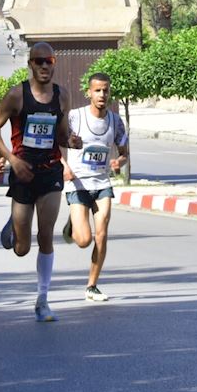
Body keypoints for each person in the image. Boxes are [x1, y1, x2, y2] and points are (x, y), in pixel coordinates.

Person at [0, 41, 71, 322]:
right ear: (30, 65)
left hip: (50, 171)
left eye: (49, 61)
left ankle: (43, 299)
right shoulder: (17, 96)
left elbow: (61, 134)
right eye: (38, 61)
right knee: (22, 248)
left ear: (53, 64)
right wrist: (12, 160)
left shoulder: (62, 96)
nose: (44, 66)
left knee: (46, 234)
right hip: (23, 171)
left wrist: (71, 139)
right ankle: (15, 224)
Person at [61, 72, 129, 303]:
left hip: (102, 183)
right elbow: (55, 143)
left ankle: (92, 285)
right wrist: (64, 166)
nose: (102, 94)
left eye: (106, 90)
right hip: (77, 183)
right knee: (84, 240)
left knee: (102, 234)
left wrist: (119, 162)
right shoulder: (74, 117)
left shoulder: (116, 122)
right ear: (88, 92)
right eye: (97, 90)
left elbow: (124, 154)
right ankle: (73, 226)